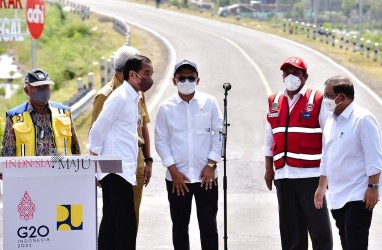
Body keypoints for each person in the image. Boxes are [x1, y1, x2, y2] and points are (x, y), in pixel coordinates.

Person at [263, 56, 333, 250]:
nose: (290, 76)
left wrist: (324, 180)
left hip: (310, 177)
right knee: (291, 234)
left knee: (319, 233)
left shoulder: (318, 99)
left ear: (305, 76)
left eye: (296, 73)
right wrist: (269, 169)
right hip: (284, 177)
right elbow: (269, 138)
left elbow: (329, 141)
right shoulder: (274, 101)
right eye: (287, 72)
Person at [155, 59, 223, 250]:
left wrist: (211, 165)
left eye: (190, 78)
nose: (186, 81)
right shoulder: (165, 108)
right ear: (174, 80)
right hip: (178, 179)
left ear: (198, 80)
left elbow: (219, 134)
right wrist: (173, 171)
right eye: (181, 78)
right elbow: (161, 140)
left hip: (206, 178)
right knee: (179, 227)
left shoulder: (209, 103)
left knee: (209, 227)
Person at [89, 55, 154, 250]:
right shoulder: (120, 97)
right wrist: (97, 165)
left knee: (112, 220)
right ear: (133, 75)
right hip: (115, 170)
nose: (150, 78)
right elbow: (98, 129)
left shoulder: (133, 97)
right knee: (125, 223)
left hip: (123, 169)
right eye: (146, 74)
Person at [314, 76, 382, 250]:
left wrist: (373, 188)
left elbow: (374, 157)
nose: (325, 100)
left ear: (342, 97)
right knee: (346, 243)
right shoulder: (330, 120)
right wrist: (322, 186)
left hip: (358, 195)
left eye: (328, 95)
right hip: (337, 195)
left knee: (356, 244)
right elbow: (326, 155)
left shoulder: (363, 119)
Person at [1, 68, 80, 157]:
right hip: (28, 169)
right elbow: (7, 154)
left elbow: (75, 148)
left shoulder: (64, 112)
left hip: (61, 168)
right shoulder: (14, 117)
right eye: (38, 87)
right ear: (27, 91)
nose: (43, 90)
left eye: (46, 86)